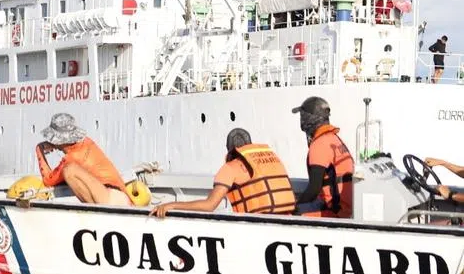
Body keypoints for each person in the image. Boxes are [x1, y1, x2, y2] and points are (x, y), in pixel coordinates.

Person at [151, 128, 296, 217]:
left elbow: (209, 206)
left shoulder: (230, 168)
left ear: (229, 149)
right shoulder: (270, 159)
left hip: (257, 226)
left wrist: (172, 205)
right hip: (286, 218)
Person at [35, 113, 130, 205]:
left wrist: (39, 150)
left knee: (69, 171)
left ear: (58, 140)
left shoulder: (72, 158)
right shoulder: (87, 142)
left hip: (110, 198)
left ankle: (95, 211)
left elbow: (48, 180)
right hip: (119, 195)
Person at [292, 96, 354, 218]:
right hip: (347, 207)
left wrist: (294, 207)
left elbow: (314, 189)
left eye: (302, 116)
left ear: (309, 119)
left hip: (334, 211)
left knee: (289, 214)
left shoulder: (319, 144)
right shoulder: (334, 139)